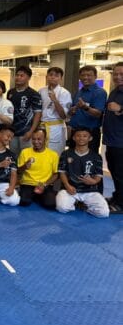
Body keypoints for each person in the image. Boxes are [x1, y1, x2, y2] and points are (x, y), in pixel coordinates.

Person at [56, 128, 109, 218]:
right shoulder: (66, 154)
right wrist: (67, 185)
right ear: (74, 138)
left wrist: (93, 181)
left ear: (90, 138)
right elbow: (62, 172)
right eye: (78, 136)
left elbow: (98, 177)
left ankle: (86, 206)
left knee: (103, 213)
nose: (81, 138)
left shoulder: (96, 156)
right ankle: (75, 202)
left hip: (89, 191)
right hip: (70, 189)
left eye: (85, 136)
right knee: (62, 208)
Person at [68, 65, 106, 153]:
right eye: (83, 75)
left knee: (89, 159)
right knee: (73, 158)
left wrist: (85, 107)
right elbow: (72, 111)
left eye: (89, 75)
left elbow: (98, 113)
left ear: (95, 76)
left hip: (90, 134)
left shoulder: (99, 92)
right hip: (75, 132)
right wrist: (72, 110)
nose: (85, 77)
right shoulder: (79, 92)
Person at [17, 128, 58, 209]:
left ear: (45, 139)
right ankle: (34, 196)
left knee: (50, 205)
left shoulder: (53, 155)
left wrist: (45, 184)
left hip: (44, 184)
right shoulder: (24, 152)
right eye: (34, 139)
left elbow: (56, 174)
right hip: (28, 184)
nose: (36, 142)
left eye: (39, 139)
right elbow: (18, 171)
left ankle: (37, 196)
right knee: (24, 202)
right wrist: (25, 166)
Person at [7, 66, 42, 156]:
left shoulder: (34, 94)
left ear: (28, 78)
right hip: (13, 132)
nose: (18, 77)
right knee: (13, 157)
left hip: (26, 132)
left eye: (22, 75)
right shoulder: (11, 92)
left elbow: (38, 114)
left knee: (27, 157)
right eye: (17, 75)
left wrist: (31, 131)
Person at [103, 62, 123, 214]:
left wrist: (121, 108)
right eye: (115, 74)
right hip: (111, 140)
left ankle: (121, 204)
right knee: (114, 171)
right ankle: (117, 197)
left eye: (121, 74)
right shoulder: (115, 91)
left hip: (121, 142)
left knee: (121, 174)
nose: (118, 77)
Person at [39, 67, 72, 155]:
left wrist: (55, 100)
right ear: (47, 77)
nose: (53, 77)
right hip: (42, 126)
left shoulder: (64, 93)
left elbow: (64, 116)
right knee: (41, 153)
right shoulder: (41, 91)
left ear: (61, 78)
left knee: (55, 154)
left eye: (56, 76)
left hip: (56, 127)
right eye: (51, 75)